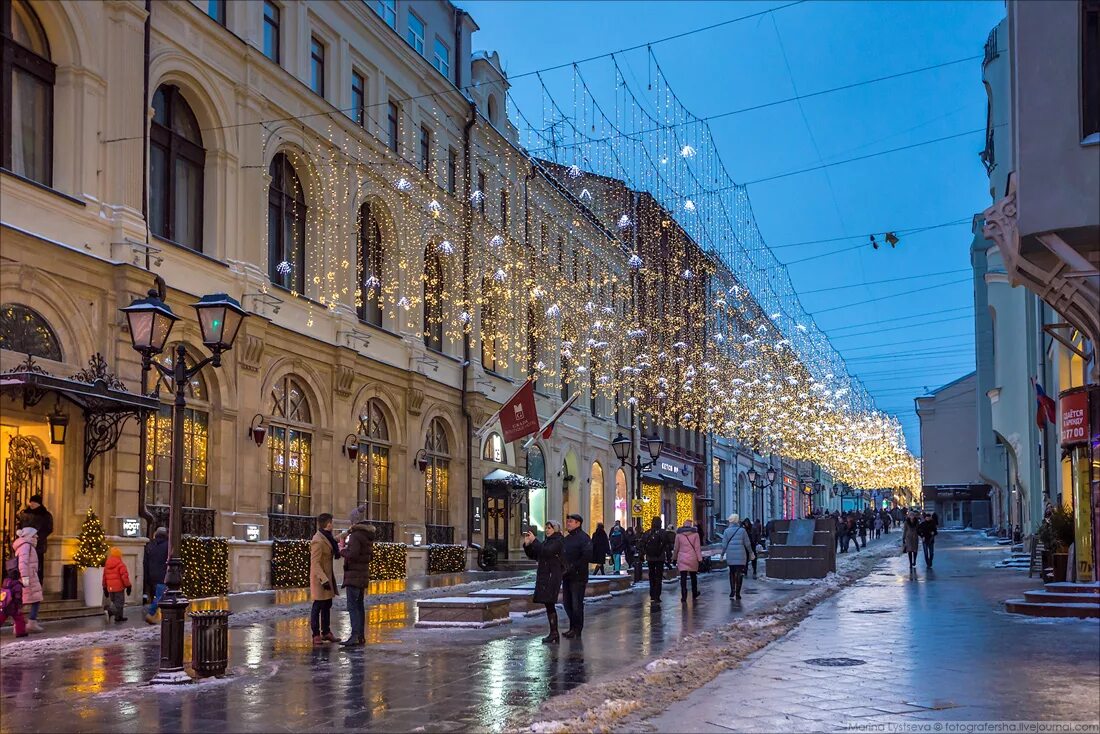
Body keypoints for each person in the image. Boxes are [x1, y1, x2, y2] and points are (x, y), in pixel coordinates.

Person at [523, 520, 565, 644]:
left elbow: (547, 552)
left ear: (555, 529)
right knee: (548, 604)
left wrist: (535, 541)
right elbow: (537, 555)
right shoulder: (548, 541)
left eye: (549, 528)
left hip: (552, 576)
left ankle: (554, 633)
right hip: (545, 575)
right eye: (546, 528)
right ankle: (553, 632)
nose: (547, 530)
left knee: (550, 603)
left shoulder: (558, 541)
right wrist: (528, 545)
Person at [340, 512, 375, 647]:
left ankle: (355, 636)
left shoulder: (355, 536)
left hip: (354, 576)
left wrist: (342, 549)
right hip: (362, 575)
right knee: (359, 606)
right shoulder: (366, 536)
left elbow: (353, 554)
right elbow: (369, 556)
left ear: (354, 522)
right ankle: (360, 636)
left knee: (353, 607)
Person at [309, 513, 340, 645]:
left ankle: (326, 632)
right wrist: (324, 580)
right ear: (328, 524)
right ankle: (316, 634)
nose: (332, 524)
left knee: (327, 604)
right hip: (320, 579)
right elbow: (315, 563)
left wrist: (347, 533)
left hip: (327, 577)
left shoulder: (326, 537)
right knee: (318, 606)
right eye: (331, 522)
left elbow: (334, 541)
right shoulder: (318, 540)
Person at [560, 514, 591, 639]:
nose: (568, 523)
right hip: (567, 576)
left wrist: (573, 566)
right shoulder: (567, 539)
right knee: (567, 603)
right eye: (567, 521)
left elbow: (587, 556)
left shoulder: (584, 538)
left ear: (578, 523)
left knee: (576, 603)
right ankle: (572, 627)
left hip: (578, 576)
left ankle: (577, 629)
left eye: (571, 521)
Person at [12, 527, 43, 632]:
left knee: (32, 599)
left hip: (30, 576)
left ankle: (24, 624)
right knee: (27, 601)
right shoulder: (26, 546)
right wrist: (25, 578)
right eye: (35, 535)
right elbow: (23, 563)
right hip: (28, 577)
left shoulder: (26, 546)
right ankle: (26, 624)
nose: (37, 537)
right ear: (29, 536)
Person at [720, 513, 754, 600]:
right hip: (741, 555)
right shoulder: (742, 531)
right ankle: (738, 593)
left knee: (731, 572)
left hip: (731, 554)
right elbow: (747, 544)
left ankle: (732, 590)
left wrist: (722, 554)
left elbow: (724, 545)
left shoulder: (726, 531)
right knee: (739, 573)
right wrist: (751, 553)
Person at [20, 495, 52, 583]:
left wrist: (37, 536)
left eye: (34, 502)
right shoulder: (25, 513)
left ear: (39, 503)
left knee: (37, 567)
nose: (32, 504)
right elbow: (20, 526)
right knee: (24, 566)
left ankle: (38, 585)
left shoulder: (45, 514)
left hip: (38, 545)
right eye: (31, 502)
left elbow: (48, 528)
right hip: (24, 544)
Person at [142, 527, 169, 624]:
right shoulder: (167, 546)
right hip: (163, 575)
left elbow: (146, 562)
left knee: (160, 595)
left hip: (152, 575)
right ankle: (150, 613)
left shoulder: (151, 545)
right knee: (160, 596)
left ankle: (159, 615)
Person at [640, 517, 668, 605]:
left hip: (650, 557)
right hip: (660, 558)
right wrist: (669, 557)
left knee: (651, 575)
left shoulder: (647, 532)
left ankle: (652, 594)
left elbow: (642, 545)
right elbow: (667, 545)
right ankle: (657, 596)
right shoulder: (663, 533)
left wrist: (642, 555)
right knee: (659, 577)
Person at [673, 519, 702, 603]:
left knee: (683, 577)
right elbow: (697, 548)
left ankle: (684, 595)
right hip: (692, 558)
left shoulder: (678, 535)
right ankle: (694, 593)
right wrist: (700, 559)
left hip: (682, 558)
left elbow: (676, 548)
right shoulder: (695, 535)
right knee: (693, 576)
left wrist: (674, 558)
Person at [102, 547, 132, 623]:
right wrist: (128, 586)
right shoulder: (121, 564)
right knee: (119, 603)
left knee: (115, 601)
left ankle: (119, 617)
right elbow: (124, 577)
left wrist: (104, 587)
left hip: (110, 588)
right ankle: (110, 612)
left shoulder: (107, 564)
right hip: (119, 587)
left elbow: (104, 577)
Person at [1, 559, 28, 638]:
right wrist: (19, 606)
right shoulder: (17, 585)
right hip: (13, 605)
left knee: (2, 617)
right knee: (19, 619)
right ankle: (20, 632)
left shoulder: (6, 581)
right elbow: (18, 597)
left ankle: (21, 632)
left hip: (5, 604)